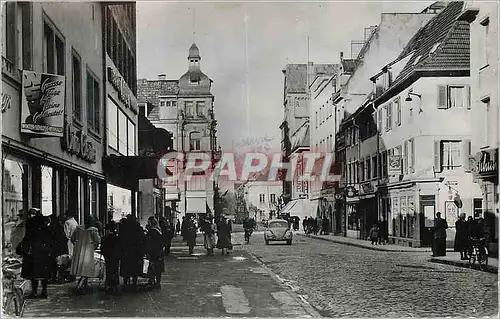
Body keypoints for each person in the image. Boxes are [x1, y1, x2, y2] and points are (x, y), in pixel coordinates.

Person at [17, 208, 54, 299]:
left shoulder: (30, 223)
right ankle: (44, 291)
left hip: (33, 251)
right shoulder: (44, 224)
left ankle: (34, 291)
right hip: (44, 252)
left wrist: (23, 246)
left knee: (33, 273)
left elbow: (27, 237)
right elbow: (51, 239)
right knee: (43, 273)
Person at [70, 215, 101, 293]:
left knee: (80, 268)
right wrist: (94, 246)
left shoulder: (78, 228)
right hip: (88, 251)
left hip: (78, 250)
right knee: (86, 269)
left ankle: (84, 284)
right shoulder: (93, 230)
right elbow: (97, 240)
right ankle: (80, 285)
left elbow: (72, 239)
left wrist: (77, 245)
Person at [119, 215, 146, 291]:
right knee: (135, 269)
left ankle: (125, 283)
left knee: (126, 268)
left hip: (126, 252)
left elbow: (121, 240)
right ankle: (134, 283)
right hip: (136, 253)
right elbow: (143, 241)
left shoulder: (124, 229)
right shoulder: (138, 229)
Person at [101, 221, 120, 295]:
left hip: (108, 256)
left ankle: (109, 285)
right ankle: (115, 285)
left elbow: (103, 248)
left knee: (109, 271)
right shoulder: (116, 237)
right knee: (115, 271)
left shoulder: (106, 238)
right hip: (115, 256)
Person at [49, 214, 69, 283]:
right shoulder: (60, 228)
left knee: (55, 264)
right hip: (62, 249)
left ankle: (55, 278)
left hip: (56, 249)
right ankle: (61, 278)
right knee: (61, 264)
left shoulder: (53, 228)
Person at [146, 217, 164, 289]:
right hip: (159, 252)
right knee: (158, 268)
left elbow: (149, 242)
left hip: (153, 252)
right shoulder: (158, 230)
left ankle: (152, 280)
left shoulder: (152, 231)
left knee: (152, 266)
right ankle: (157, 282)